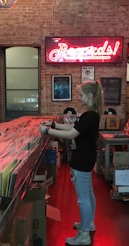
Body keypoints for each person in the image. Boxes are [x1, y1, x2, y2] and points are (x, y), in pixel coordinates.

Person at [39, 80, 104, 245]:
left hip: (82, 159)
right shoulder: (92, 114)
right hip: (87, 157)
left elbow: (70, 135)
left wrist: (47, 131)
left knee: (83, 199)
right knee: (88, 194)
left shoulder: (89, 116)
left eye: (81, 95)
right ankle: (88, 223)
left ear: (90, 96)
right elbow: (72, 128)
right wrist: (53, 124)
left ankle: (84, 235)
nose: (79, 98)